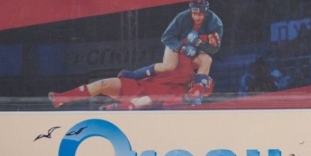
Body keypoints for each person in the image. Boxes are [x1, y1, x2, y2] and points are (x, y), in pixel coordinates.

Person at [118, 0, 222, 103]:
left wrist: (199, 43)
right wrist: (183, 48)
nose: (197, 17)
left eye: (200, 15)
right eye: (194, 14)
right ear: (190, 11)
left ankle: (196, 96)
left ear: (206, 13)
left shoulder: (216, 24)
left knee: (207, 60)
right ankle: (134, 75)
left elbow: (215, 49)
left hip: (195, 51)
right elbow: (166, 37)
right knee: (169, 66)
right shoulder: (182, 17)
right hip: (178, 45)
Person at [49, 50, 210, 110]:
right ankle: (62, 98)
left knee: (145, 101)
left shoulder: (182, 98)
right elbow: (152, 69)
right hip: (136, 86)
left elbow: (166, 104)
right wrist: (132, 74)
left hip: (146, 103)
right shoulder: (179, 70)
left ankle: (112, 109)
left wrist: (189, 97)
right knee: (103, 84)